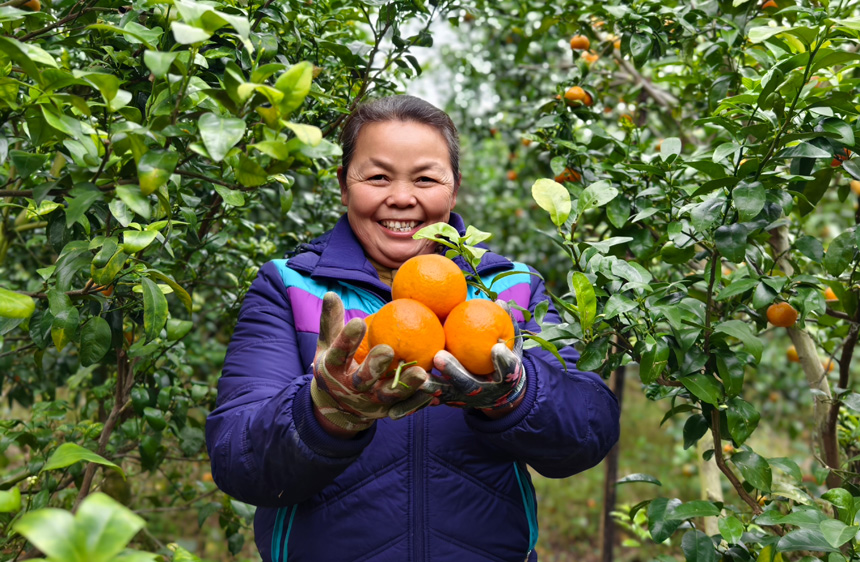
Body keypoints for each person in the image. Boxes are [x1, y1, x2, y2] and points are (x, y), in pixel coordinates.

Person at [205, 95, 620, 561]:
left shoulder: (510, 289)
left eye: (425, 178)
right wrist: (323, 413)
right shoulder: (291, 287)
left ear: (454, 188)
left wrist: (517, 395)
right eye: (378, 176)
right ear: (344, 186)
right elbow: (236, 459)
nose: (402, 197)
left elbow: (587, 432)